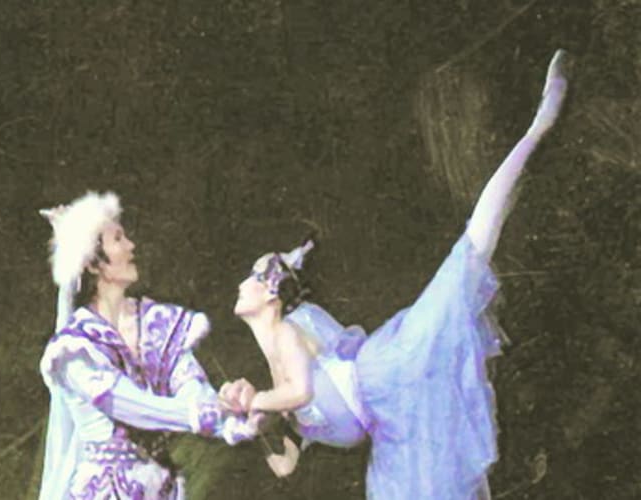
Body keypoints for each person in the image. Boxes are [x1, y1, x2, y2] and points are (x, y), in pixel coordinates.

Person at [220, 49, 571, 499]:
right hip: (388, 430)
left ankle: (540, 125)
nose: (240, 285)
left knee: (467, 258)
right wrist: (263, 430)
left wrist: (256, 402)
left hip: (386, 374)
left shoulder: (288, 335)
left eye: (250, 279)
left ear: (271, 295)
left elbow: (302, 394)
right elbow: (295, 434)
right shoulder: (275, 364)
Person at [37, 191, 258, 500]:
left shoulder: (157, 322)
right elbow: (133, 407)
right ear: (92, 264)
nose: (131, 246)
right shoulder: (76, 346)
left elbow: (190, 384)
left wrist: (232, 409)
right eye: (118, 239)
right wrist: (207, 414)